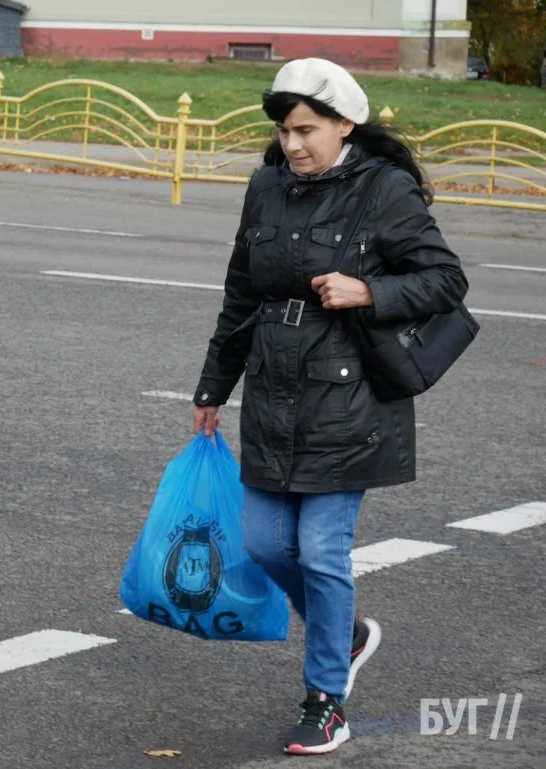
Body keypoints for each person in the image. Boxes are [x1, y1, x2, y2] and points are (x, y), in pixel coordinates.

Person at [190, 58, 469, 755]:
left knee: (319, 549)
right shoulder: (265, 188)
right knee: (261, 542)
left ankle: (325, 700)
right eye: (285, 131)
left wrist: (369, 292)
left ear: (346, 124)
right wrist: (211, 388)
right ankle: (340, 633)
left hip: (350, 398)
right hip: (272, 390)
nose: (293, 145)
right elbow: (240, 295)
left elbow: (445, 278)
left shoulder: (385, 191)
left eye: (307, 130)